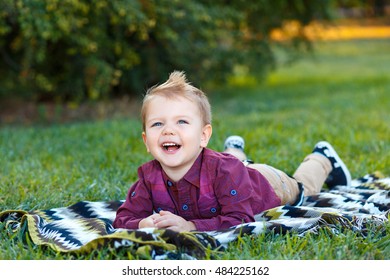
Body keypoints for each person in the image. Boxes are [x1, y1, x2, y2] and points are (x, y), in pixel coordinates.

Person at [113, 71, 351, 232]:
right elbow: (122, 219)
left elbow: (240, 220)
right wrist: (142, 222)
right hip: (235, 173)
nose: (168, 131)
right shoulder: (148, 179)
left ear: (204, 136)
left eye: (181, 122)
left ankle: (322, 157)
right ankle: (235, 151)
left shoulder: (225, 172)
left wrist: (190, 226)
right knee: (233, 165)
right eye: (157, 124)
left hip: (267, 183)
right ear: (146, 140)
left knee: (303, 187)